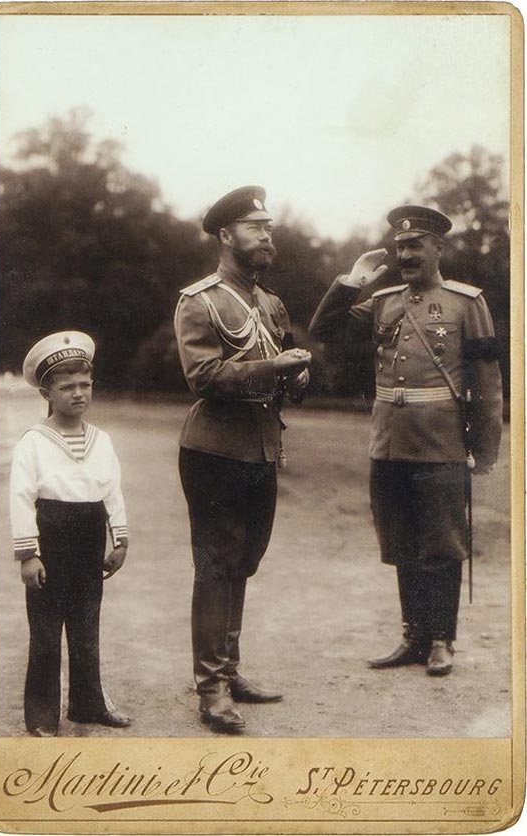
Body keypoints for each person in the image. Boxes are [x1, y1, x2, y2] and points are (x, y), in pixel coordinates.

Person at [310, 205, 502, 676]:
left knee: (441, 542)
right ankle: (413, 636)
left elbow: (489, 380)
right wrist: (351, 281)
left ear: (438, 247)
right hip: (389, 441)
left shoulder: (466, 303)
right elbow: (324, 331)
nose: (405, 255)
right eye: (399, 247)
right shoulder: (384, 301)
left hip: (440, 441)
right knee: (400, 540)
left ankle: (442, 640)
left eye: (415, 245)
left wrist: (486, 446)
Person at [174, 185, 311, 732]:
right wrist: (274, 368)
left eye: (270, 227)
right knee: (216, 565)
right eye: (256, 227)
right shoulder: (199, 299)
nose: (267, 235)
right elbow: (202, 376)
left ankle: (228, 671)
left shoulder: (270, 302)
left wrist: (297, 377)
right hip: (214, 450)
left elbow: (282, 378)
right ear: (227, 235)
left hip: (261, 447)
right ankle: (211, 691)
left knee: (245, 562)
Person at [9, 331, 131, 736]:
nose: (78, 394)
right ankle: (42, 716)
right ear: (47, 392)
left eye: (85, 385)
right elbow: (22, 497)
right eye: (67, 387)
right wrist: (28, 554)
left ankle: (87, 703)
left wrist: (120, 538)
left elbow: (112, 490)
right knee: (45, 630)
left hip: (90, 535)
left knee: (85, 624)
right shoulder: (34, 442)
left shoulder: (101, 440)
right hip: (51, 536)